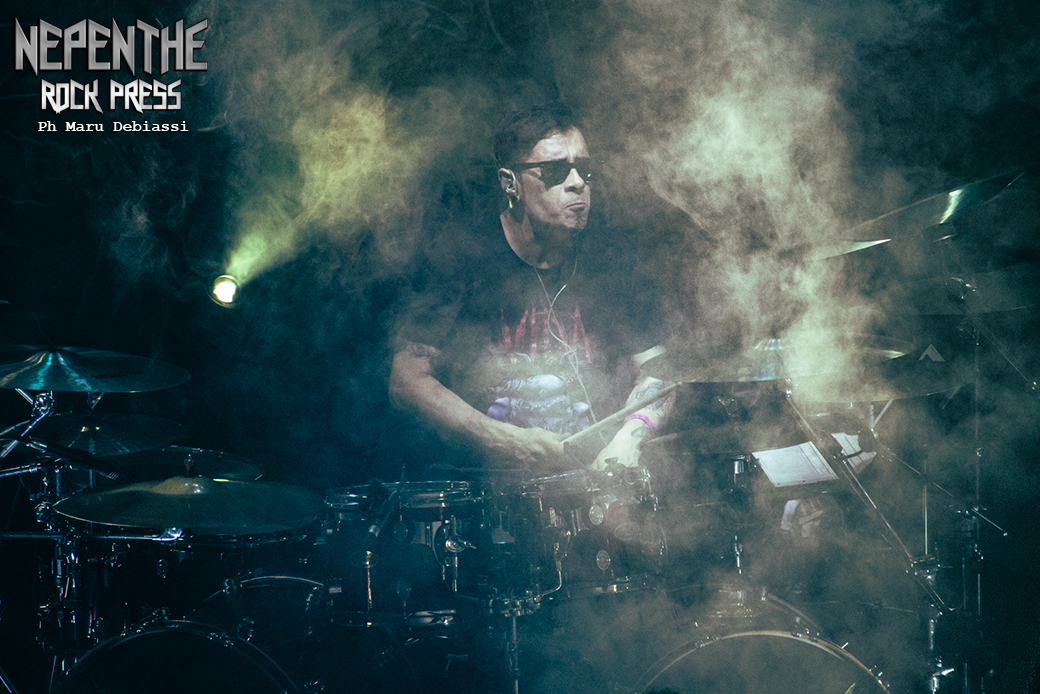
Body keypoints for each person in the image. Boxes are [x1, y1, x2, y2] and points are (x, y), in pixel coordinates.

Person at [389, 103, 674, 474]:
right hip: (485, 485)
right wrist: (506, 441)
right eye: (555, 171)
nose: (577, 182)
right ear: (510, 183)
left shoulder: (611, 254)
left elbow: (658, 369)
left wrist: (628, 439)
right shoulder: (463, 256)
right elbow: (407, 382)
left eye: (585, 169)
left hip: (593, 478)